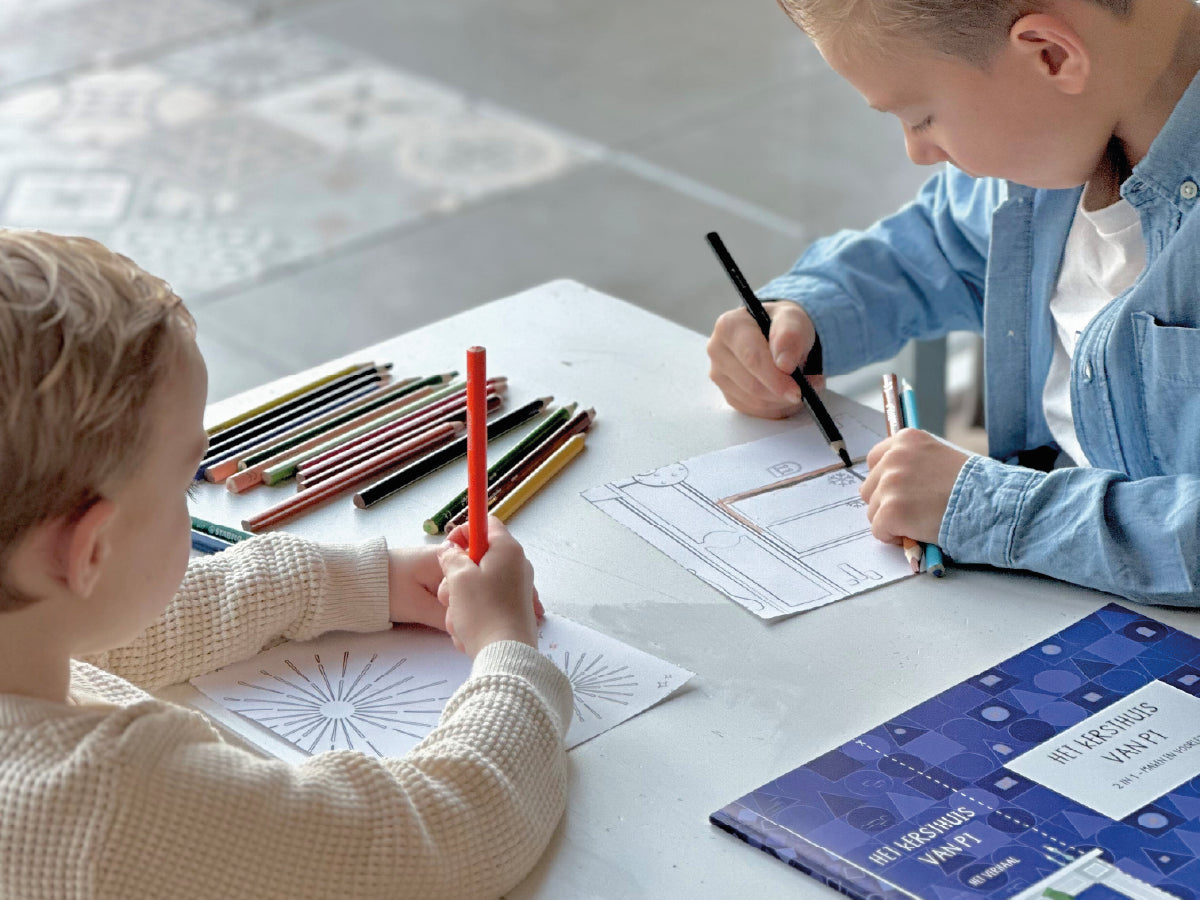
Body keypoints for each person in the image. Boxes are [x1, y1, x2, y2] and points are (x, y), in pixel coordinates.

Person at [0, 229, 572, 899]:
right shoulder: (108, 802)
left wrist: (361, 582)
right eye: (184, 487)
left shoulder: (26, 642)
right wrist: (510, 653)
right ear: (91, 551)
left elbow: (110, 642)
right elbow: (447, 835)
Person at [707, 0, 1199, 607]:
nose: (917, 151)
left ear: (1050, 54)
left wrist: (995, 510)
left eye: (922, 117)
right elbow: (939, 247)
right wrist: (809, 314)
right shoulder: (1053, 143)